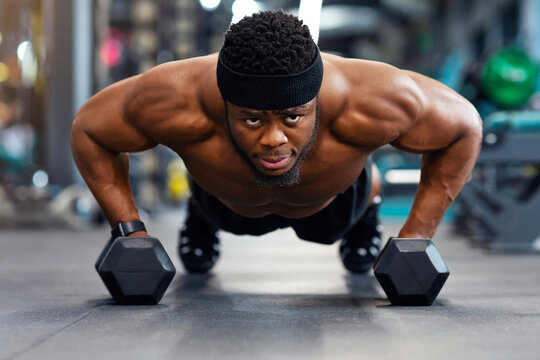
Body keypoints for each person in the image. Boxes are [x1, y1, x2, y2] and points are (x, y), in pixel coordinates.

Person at [71, 10, 482, 274]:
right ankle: (199, 214)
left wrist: (416, 236)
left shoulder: (374, 98)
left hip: (334, 207)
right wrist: (130, 232)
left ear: (314, 100)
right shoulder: (177, 98)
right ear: (225, 102)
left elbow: (464, 127)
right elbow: (90, 128)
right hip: (226, 204)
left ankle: (367, 210)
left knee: (348, 204)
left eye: (292, 117)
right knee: (211, 194)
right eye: (251, 118)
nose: (273, 139)